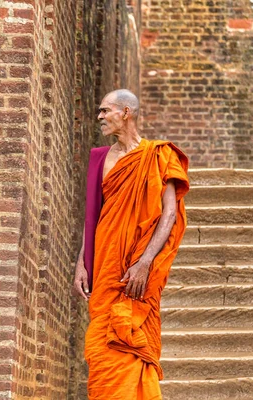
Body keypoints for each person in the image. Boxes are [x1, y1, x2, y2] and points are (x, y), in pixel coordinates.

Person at [73, 89, 189, 399]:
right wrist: (82, 262)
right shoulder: (100, 158)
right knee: (101, 347)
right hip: (107, 265)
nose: (100, 117)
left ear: (126, 112)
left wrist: (145, 262)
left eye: (105, 110)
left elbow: (169, 214)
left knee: (134, 341)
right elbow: (93, 215)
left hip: (138, 267)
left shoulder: (159, 155)